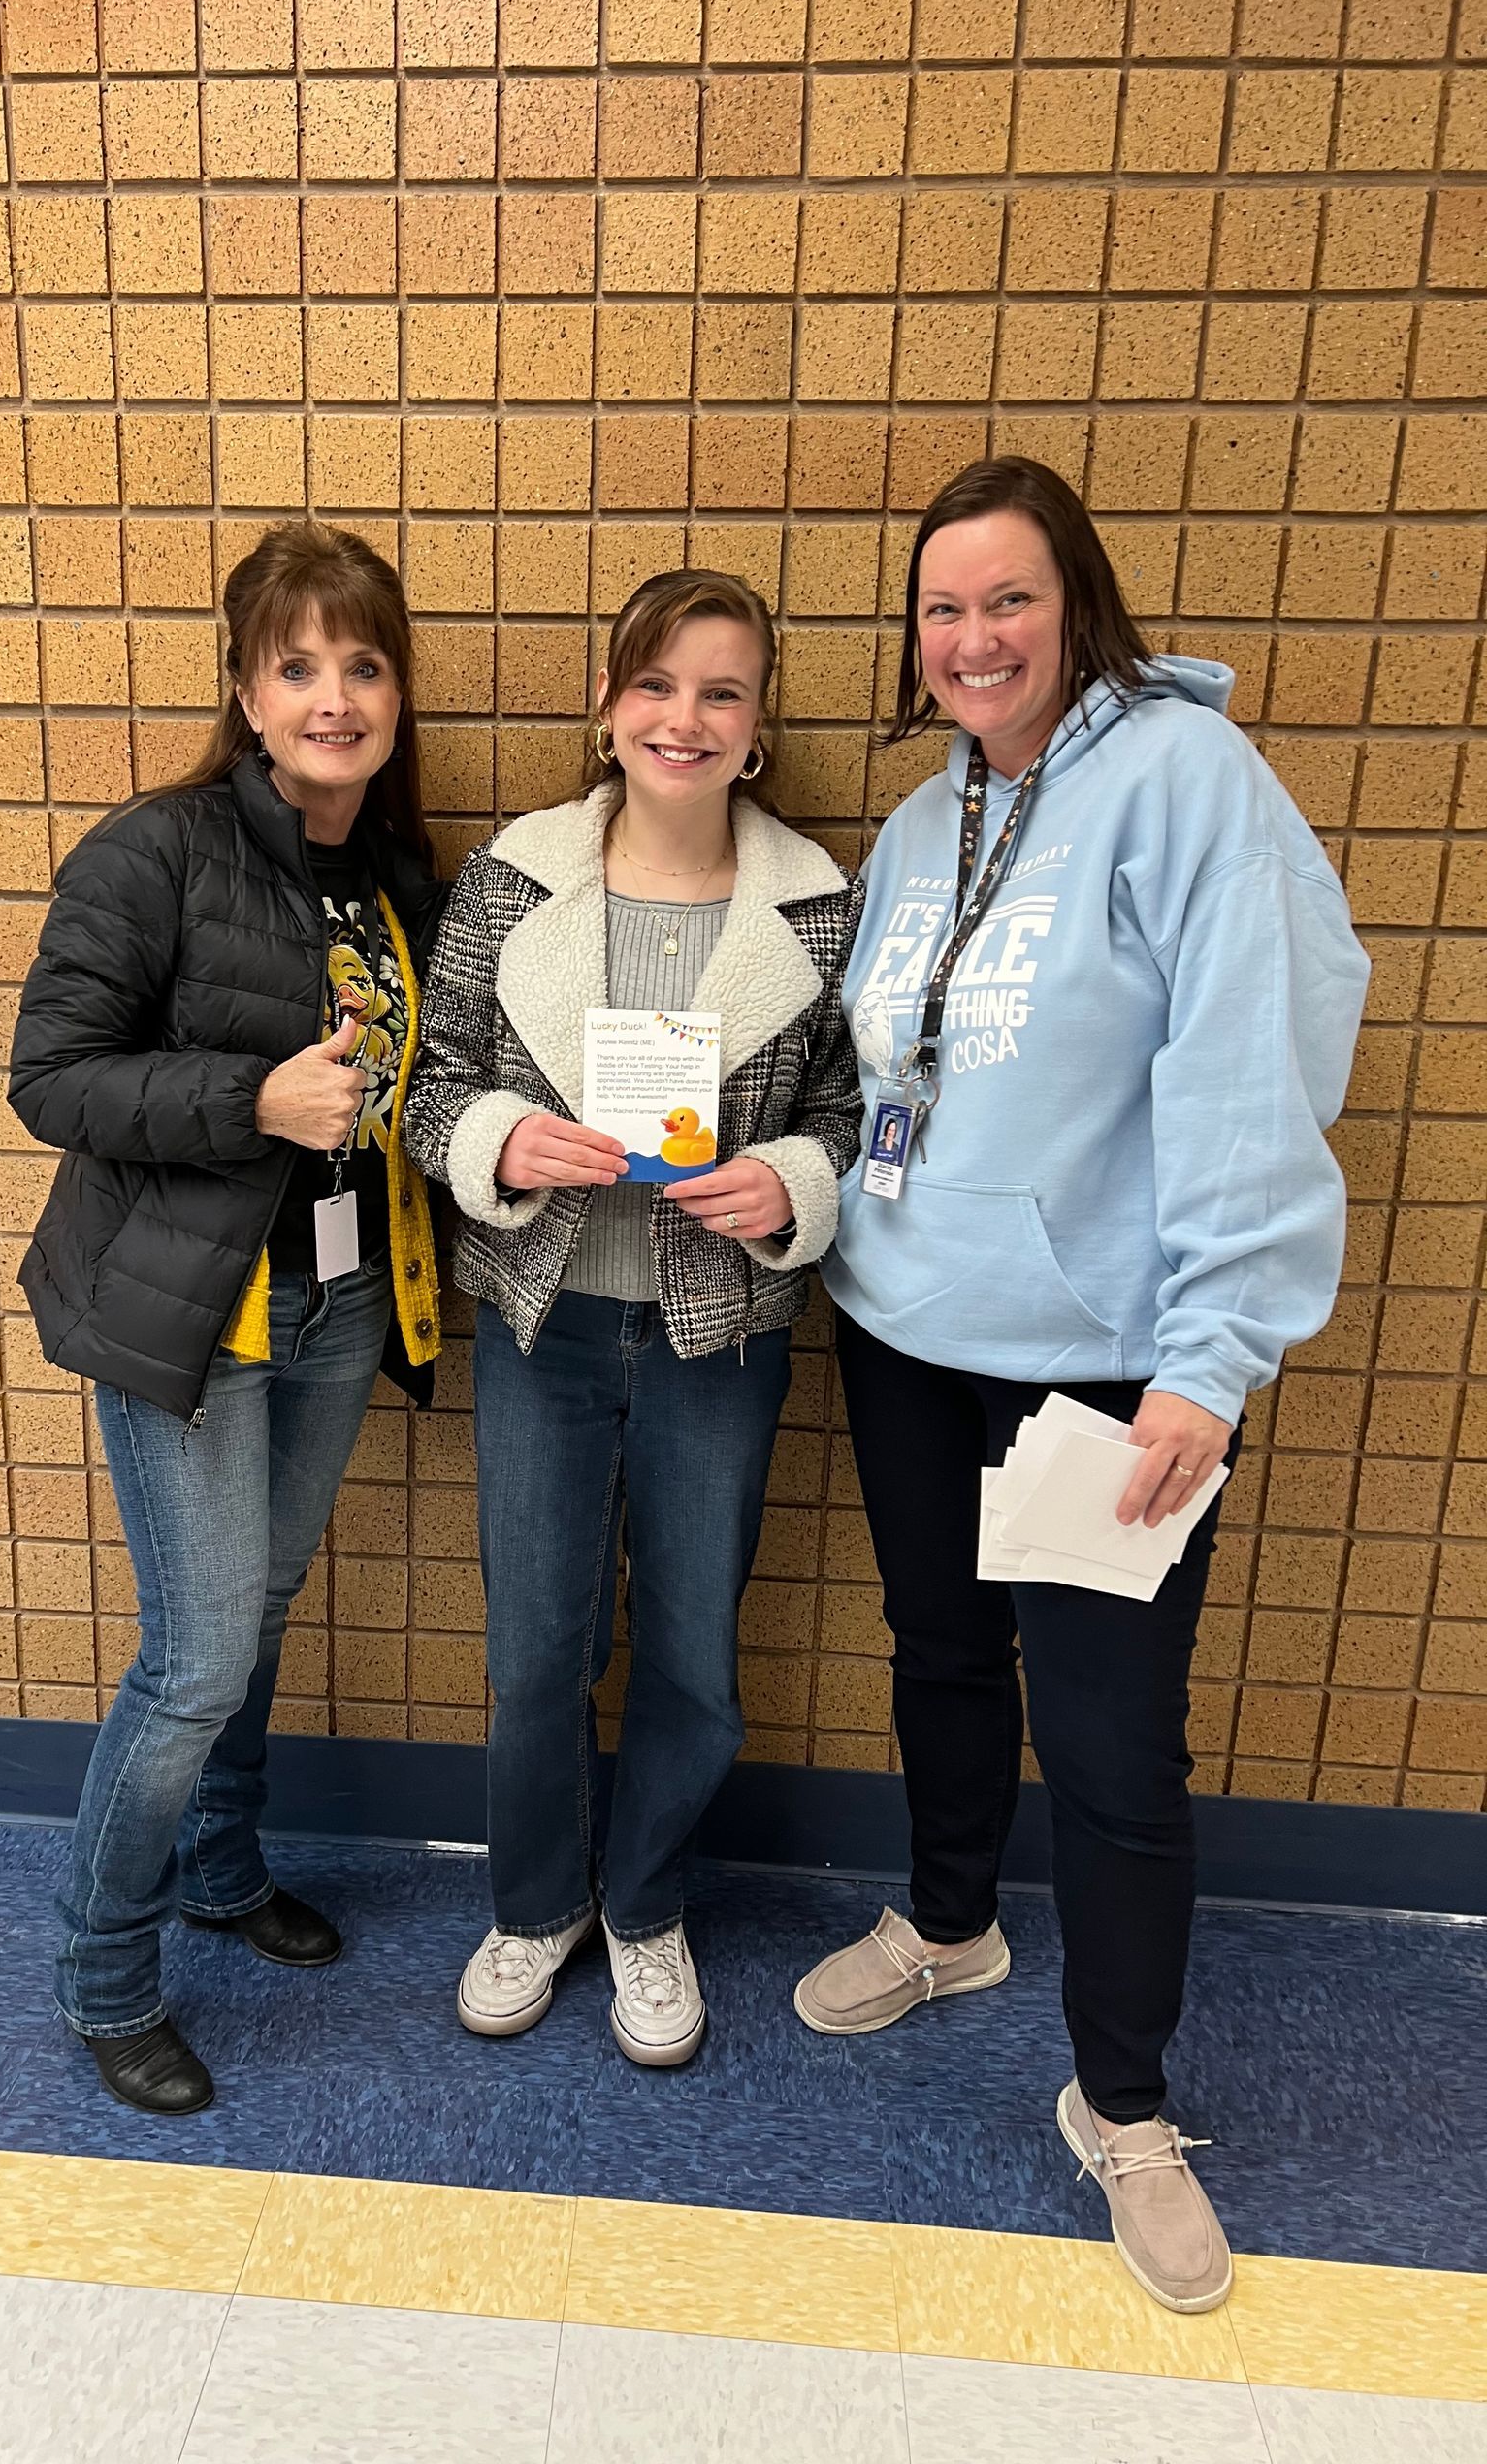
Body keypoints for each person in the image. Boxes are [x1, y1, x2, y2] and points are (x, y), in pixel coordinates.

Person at [801, 457, 1368, 2311]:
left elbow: (1250, 1060)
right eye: (943, 609)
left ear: (1079, 605)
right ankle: (952, 1926)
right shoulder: (922, 815)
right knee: (942, 1652)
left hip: (1109, 1378)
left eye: (1010, 601)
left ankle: (1122, 2104)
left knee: (1115, 1749)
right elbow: (898, 1066)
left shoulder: (1188, 784)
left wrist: (1215, 1354)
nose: (974, 639)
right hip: (904, 1334)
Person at [10, 523, 445, 2116]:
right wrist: (249, 1097)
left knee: (258, 1612)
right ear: (247, 693)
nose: (335, 695)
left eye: (365, 663)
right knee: (194, 1657)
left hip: (334, 1298)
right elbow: (50, 1078)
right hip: (190, 1313)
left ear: (397, 691)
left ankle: (222, 1869)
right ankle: (105, 1977)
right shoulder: (158, 850)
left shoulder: (395, 870)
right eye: (299, 666)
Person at [406, 571, 862, 2067]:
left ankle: (648, 1910)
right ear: (608, 711)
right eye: (657, 686)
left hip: (717, 1334)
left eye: (721, 693)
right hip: (545, 1329)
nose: (686, 718)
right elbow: (428, 1087)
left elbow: (862, 1116)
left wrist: (789, 1183)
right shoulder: (510, 883)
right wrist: (498, 1147)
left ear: (758, 731)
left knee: (689, 1652)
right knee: (536, 1647)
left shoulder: (817, 902)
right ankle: (536, 1903)